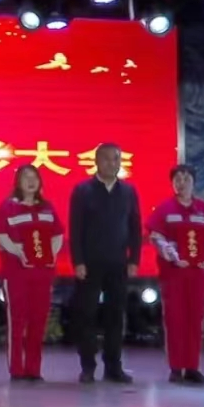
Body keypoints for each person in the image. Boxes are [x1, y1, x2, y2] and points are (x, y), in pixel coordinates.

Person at [69, 143, 142, 384]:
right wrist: (78, 261)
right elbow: (76, 229)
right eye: (107, 159)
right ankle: (88, 367)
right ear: (97, 162)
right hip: (89, 264)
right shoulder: (83, 190)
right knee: (86, 315)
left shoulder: (128, 191)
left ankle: (113, 367)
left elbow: (135, 227)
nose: (112, 163)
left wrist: (134, 259)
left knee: (116, 316)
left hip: (118, 263)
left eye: (116, 159)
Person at [145, 164, 204, 385]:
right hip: (174, 273)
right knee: (175, 318)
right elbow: (156, 236)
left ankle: (192, 367)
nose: (182, 183)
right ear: (172, 183)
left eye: (186, 179)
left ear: (193, 182)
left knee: (195, 318)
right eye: (177, 179)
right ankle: (176, 367)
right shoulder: (165, 209)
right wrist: (169, 253)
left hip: (198, 273)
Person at [0, 165, 65, 382]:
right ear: (18, 183)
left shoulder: (47, 208)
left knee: (38, 320)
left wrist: (52, 253)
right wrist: (16, 250)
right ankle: (16, 369)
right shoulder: (9, 207)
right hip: (17, 272)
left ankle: (33, 369)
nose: (31, 181)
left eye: (34, 177)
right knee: (17, 320)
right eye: (26, 178)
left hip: (43, 273)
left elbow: (57, 235)